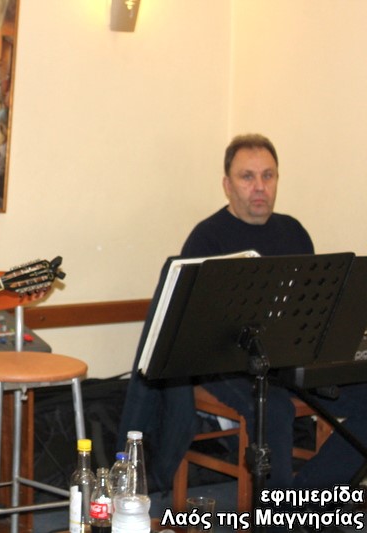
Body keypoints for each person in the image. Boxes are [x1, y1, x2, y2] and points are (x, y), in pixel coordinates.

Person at [118, 133, 367, 494]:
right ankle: (277, 511)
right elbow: (193, 331)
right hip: (225, 366)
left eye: (268, 175)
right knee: (274, 410)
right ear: (227, 185)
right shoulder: (207, 238)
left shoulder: (294, 231)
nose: (259, 186)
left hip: (289, 361)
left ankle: (310, 499)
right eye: (247, 177)